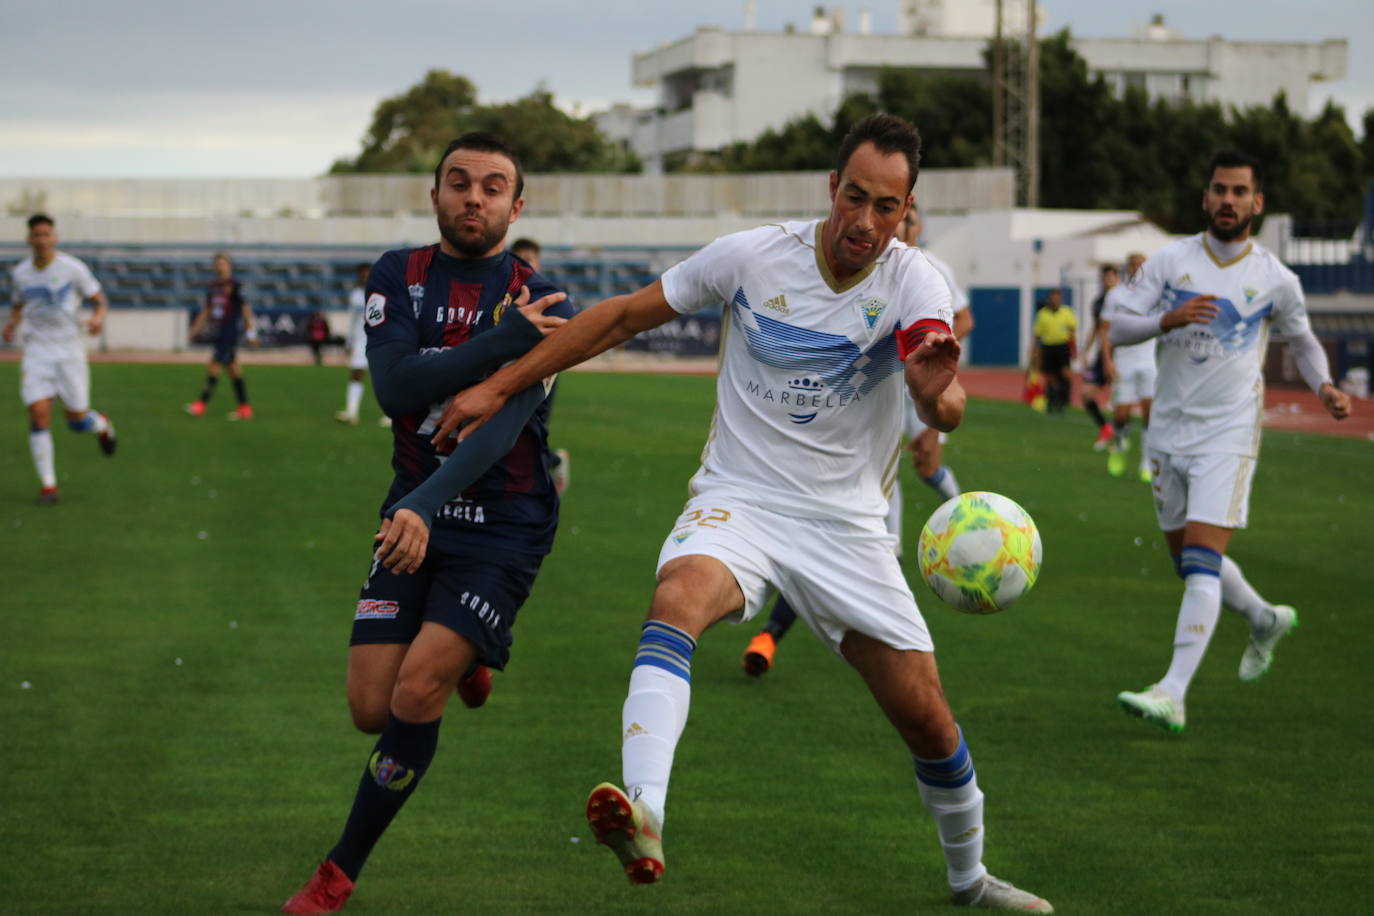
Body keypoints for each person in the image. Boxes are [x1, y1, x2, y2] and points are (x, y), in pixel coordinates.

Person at [432, 114, 1052, 912]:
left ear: (906, 209)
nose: (865, 222)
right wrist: (501, 383)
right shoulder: (754, 256)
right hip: (741, 499)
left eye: (886, 207)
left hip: (849, 528)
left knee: (928, 724)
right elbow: (622, 317)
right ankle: (645, 810)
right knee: (677, 600)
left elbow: (945, 397)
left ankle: (970, 880)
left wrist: (938, 395)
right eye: (854, 198)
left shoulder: (915, 282)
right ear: (831, 188)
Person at [280, 132, 572, 915]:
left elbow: (501, 432)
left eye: (492, 186)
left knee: (413, 692)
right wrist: (499, 343)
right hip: (412, 510)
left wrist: (422, 504)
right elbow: (396, 388)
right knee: (367, 709)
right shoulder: (397, 275)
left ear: (517, 204)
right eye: (459, 182)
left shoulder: (545, 302)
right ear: (435, 193)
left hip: (501, 524)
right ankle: (467, 657)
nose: (473, 198)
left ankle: (337, 873)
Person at [1110, 151, 1351, 732]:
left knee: (1200, 562)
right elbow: (1119, 326)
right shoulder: (1170, 261)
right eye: (1219, 189)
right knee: (1189, 562)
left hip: (1230, 433)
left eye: (1239, 192)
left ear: (1257, 203)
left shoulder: (1275, 278)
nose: (1228, 200)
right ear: (1205, 198)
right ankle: (1264, 619)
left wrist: (1323, 384)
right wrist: (1166, 321)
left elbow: (1302, 339)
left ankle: (1173, 691)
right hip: (1168, 430)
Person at [742, 204, 974, 677]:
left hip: (918, 392)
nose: (894, 229)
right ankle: (776, 624)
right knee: (839, 517)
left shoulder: (931, 273)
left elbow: (961, 323)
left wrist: (935, 354)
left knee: (918, 473)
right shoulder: (856, 271)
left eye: (903, 219)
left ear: (916, 224)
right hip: (863, 406)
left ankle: (951, 520)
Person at [3, 213, 117, 503]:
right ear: (29, 239)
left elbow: (99, 299)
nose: (41, 239)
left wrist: (98, 318)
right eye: (36, 234)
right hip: (37, 351)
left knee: (77, 420)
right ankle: (49, 485)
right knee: (39, 414)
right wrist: (11, 324)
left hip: (68, 351)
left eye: (46, 234)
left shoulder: (73, 268)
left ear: (54, 237)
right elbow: (18, 304)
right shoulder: (21, 273)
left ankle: (101, 424)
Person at [509, 236, 570, 492]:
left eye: (530, 259)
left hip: (544, 373)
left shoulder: (551, 297)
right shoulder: (505, 295)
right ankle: (552, 464)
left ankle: (545, 474)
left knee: (531, 433)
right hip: (511, 373)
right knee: (514, 436)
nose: (526, 264)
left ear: (539, 263)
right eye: (520, 259)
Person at [1100, 253, 1156, 481]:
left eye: (1142, 265)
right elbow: (1104, 329)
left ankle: (1147, 463)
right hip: (1124, 360)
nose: (1138, 268)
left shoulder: (1157, 295)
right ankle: (1120, 447)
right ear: (1127, 268)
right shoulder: (1116, 295)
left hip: (1150, 360)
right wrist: (1107, 359)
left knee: (1149, 413)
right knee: (1121, 414)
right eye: (1133, 264)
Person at [184, 252, 257, 420]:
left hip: (229, 331)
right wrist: (194, 329)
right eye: (217, 264)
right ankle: (244, 407)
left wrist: (251, 332)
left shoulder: (236, 285)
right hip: (218, 331)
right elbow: (207, 310)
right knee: (233, 369)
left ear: (229, 265)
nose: (220, 266)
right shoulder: (214, 286)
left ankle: (201, 404)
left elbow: (245, 310)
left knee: (214, 365)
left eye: (223, 263)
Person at [335, 263, 390, 426]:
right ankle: (352, 412)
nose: (365, 277)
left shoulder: (383, 293)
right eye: (362, 274)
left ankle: (390, 414)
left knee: (382, 377)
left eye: (368, 274)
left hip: (379, 340)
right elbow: (352, 320)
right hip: (360, 340)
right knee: (356, 373)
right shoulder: (355, 295)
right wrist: (349, 341)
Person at [1081, 266, 1119, 449]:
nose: (1108, 281)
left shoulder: (1127, 299)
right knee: (1086, 394)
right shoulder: (1098, 302)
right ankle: (1105, 428)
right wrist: (1085, 350)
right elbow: (1096, 327)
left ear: (1118, 279)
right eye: (1105, 278)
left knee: (1121, 399)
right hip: (1102, 353)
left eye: (1111, 277)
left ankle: (1121, 438)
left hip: (1123, 353)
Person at [1029, 288, 1074, 414]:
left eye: (1057, 298)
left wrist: (1074, 349)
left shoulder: (1067, 312)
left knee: (1065, 374)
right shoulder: (1042, 314)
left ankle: (1064, 400)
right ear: (1049, 299)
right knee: (1049, 377)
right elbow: (1037, 335)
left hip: (1062, 346)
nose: (1055, 300)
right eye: (1053, 298)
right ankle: (1052, 401)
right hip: (1048, 347)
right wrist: (1034, 350)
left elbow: (1072, 332)